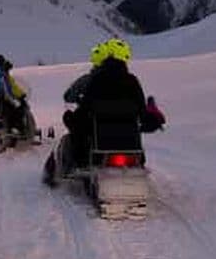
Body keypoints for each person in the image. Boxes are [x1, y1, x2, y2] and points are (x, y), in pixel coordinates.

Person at [62, 38, 164, 167]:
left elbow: (85, 107)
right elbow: (141, 109)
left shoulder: (96, 80)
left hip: (99, 139)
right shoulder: (132, 81)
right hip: (128, 136)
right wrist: (153, 119)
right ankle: (139, 160)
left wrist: (72, 119)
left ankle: (80, 161)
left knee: (76, 127)